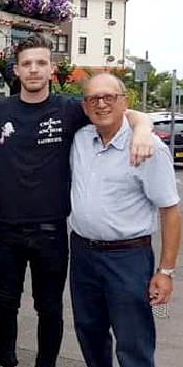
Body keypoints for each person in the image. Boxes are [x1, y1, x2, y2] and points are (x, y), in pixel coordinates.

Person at [0, 34, 154, 367]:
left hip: (51, 229)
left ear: (51, 69)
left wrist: (143, 129)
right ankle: (7, 361)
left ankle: (46, 363)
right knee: (5, 303)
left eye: (41, 63)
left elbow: (122, 112)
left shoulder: (71, 109)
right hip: (2, 229)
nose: (34, 70)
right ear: (17, 70)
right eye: (27, 64)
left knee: (50, 307)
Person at [69, 73, 181, 367]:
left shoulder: (148, 149)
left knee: (133, 341)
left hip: (128, 257)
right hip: (82, 254)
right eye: (93, 98)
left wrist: (166, 272)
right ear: (84, 106)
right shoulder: (80, 139)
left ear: (125, 103)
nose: (101, 104)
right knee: (89, 332)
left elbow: (169, 211)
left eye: (109, 97)